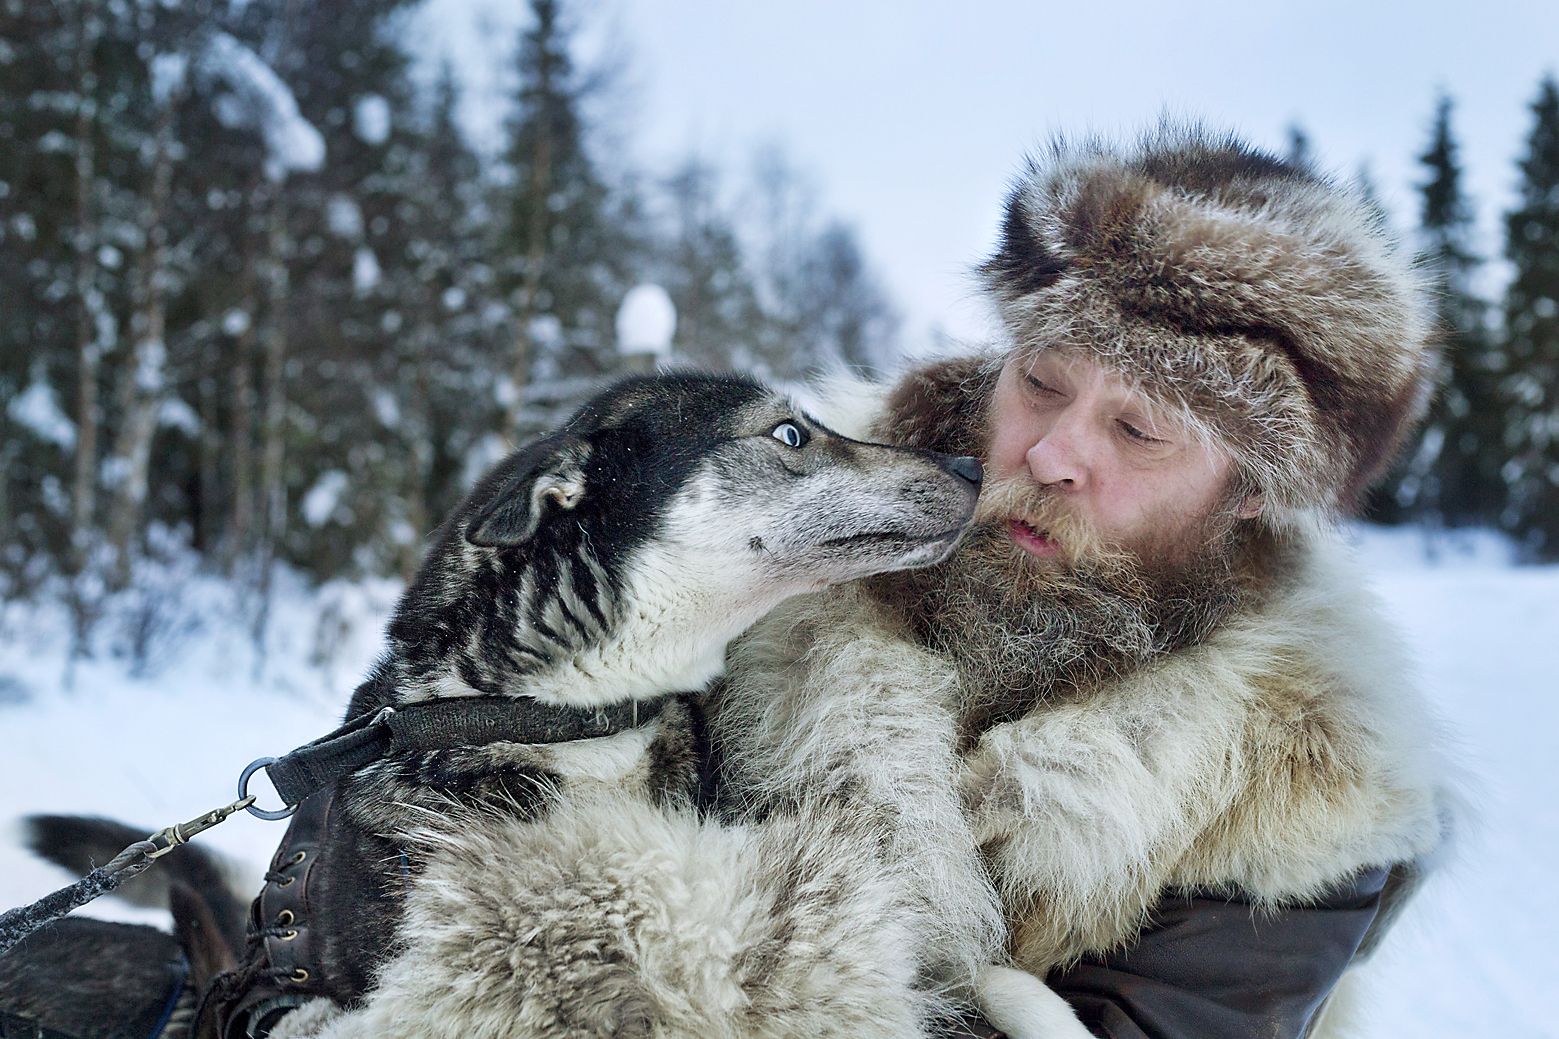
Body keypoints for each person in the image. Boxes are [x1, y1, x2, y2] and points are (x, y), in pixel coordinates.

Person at [705, 124, 1456, 1039]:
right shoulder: (756, 518)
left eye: (1137, 432)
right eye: (1040, 383)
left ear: (1251, 494)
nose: (1051, 453)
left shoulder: (1309, 778)